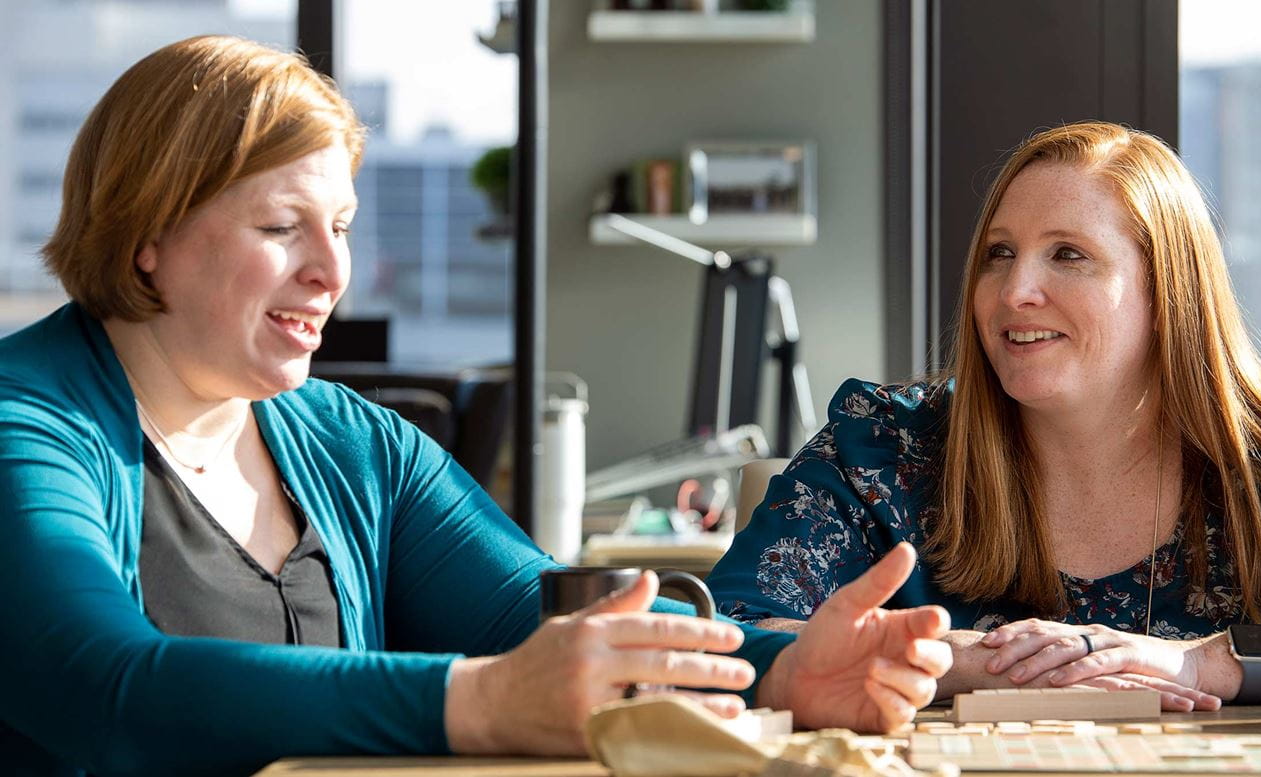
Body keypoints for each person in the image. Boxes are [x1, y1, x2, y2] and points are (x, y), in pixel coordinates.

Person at [0, 36, 954, 777]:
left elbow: (533, 609)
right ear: (147, 236)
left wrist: (781, 670)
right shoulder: (26, 425)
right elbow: (105, 683)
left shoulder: (354, 441)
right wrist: (481, 702)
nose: (332, 272)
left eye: (340, 227)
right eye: (281, 226)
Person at [707, 121, 1261, 712]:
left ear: (1168, 294)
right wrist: (958, 660)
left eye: (1068, 254)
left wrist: (1212, 662)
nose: (1014, 291)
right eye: (999, 254)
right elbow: (698, 629)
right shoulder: (883, 450)